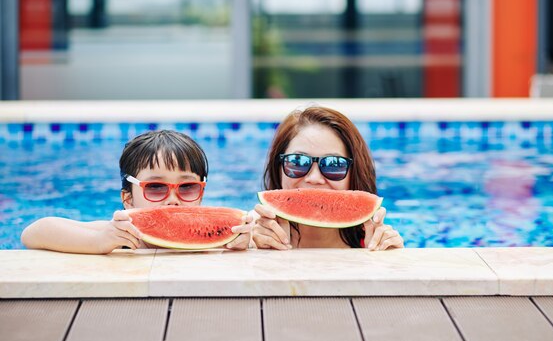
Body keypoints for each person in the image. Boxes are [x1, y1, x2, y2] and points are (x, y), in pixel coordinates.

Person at [21, 130, 252, 254]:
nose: (172, 200)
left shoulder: (218, 237)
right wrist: (99, 241)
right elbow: (35, 232)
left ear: (201, 192)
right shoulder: (124, 237)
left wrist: (240, 242)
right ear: (128, 198)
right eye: (156, 187)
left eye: (187, 187)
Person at [251, 106, 404, 250]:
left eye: (334, 164)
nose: (314, 178)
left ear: (354, 173)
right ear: (278, 168)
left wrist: (388, 263)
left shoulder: (374, 243)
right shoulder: (250, 233)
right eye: (298, 161)